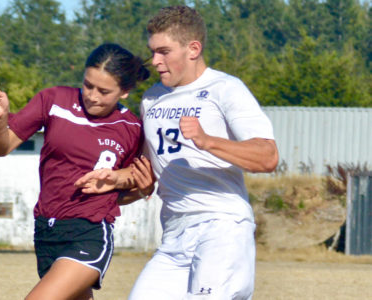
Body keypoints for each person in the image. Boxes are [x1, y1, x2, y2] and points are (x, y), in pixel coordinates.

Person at [75, 5, 279, 300]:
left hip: (221, 228)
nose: (155, 61)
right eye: (153, 51)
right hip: (174, 234)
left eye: (164, 51)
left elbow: (267, 156)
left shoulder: (226, 89)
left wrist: (208, 141)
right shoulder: (152, 98)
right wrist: (114, 180)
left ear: (193, 49)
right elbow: (146, 170)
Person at [0, 43, 152, 300]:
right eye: (88, 85)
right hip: (47, 231)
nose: (92, 96)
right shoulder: (54, 100)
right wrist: (1, 118)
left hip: (89, 232)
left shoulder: (132, 128)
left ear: (124, 91)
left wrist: (122, 186)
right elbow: (1, 148)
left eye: (104, 91)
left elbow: (139, 184)